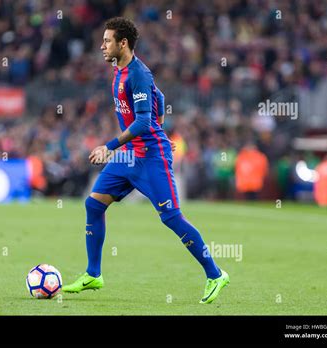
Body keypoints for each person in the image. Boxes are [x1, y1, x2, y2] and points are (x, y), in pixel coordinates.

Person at [62, 17, 229, 304]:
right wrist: (156, 127)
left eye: (107, 41)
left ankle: (215, 274)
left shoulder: (138, 74)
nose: (102, 46)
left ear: (122, 43)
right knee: (93, 204)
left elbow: (142, 122)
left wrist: (110, 146)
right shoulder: (120, 70)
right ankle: (93, 273)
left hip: (151, 156)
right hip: (130, 156)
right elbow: (160, 96)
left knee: (172, 218)